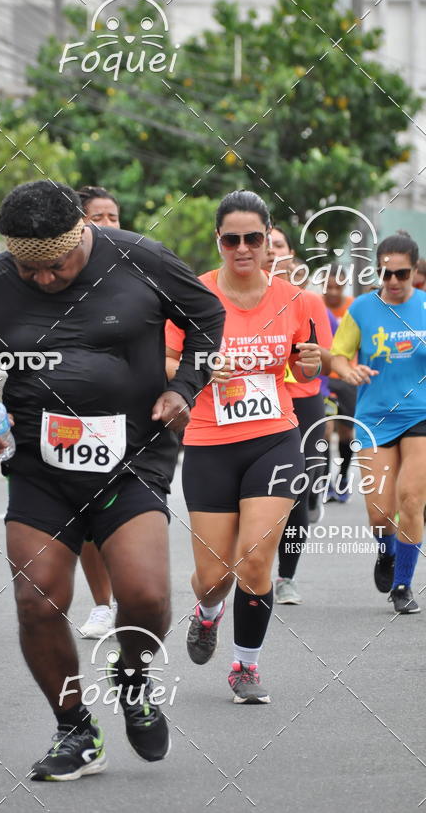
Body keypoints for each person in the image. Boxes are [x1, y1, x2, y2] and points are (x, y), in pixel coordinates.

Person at [0, 180, 224, 779]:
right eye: (30, 269)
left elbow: (207, 317)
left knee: (145, 596)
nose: (43, 278)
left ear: (80, 234)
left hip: (132, 460)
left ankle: (132, 674)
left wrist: (184, 388)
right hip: (39, 466)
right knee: (37, 600)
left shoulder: (141, 260)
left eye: (55, 265)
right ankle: (75, 729)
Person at [165, 191, 321, 703]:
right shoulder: (196, 297)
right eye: (231, 239)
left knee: (254, 561)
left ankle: (244, 667)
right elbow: (164, 361)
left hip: (274, 439)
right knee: (214, 577)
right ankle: (208, 611)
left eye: (253, 238)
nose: (243, 248)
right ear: (219, 241)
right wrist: (200, 367)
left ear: (268, 242)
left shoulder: (295, 301)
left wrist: (310, 365)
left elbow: (303, 368)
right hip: (209, 442)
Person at [331, 230, 426, 614]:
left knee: (412, 500)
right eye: (386, 273)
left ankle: (402, 585)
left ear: (415, 271)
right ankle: (386, 553)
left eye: (401, 274)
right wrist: (347, 371)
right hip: (374, 418)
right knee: (380, 513)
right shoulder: (362, 309)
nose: (393, 281)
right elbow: (338, 355)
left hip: (420, 414)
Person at [266, 235, 333, 605]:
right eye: (265, 243)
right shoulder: (230, 300)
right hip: (256, 404)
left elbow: (324, 360)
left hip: (303, 402)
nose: (270, 250)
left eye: (278, 245)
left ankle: (286, 576)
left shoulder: (306, 301)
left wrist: (310, 362)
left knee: (298, 490)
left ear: (290, 255)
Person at [75, 186, 121, 639]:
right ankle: (103, 604)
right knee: (88, 519)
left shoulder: (137, 270)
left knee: (126, 512)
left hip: (129, 414)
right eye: (97, 217)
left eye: (114, 217)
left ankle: (129, 593)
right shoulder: (61, 276)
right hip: (77, 419)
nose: (108, 225)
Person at [323, 268, 356, 502]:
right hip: (324, 378)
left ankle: (343, 477)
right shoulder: (315, 305)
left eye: (338, 287)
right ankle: (325, 481)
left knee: (346, 432)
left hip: (347, 378)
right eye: (329, 287)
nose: (333, 292)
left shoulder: (353, 307)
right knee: (324, 431)